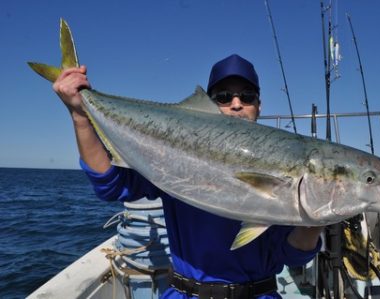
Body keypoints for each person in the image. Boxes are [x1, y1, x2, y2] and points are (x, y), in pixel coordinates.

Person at [53, 54, 323, 299]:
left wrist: (316, 217)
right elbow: (109, 185)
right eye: (224, 96)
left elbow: (293, 256)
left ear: (259, 106)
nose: (237, 104)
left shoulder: (284, 161)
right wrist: (79, 115)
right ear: (207, 105)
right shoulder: (174, 154)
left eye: (247, 96)